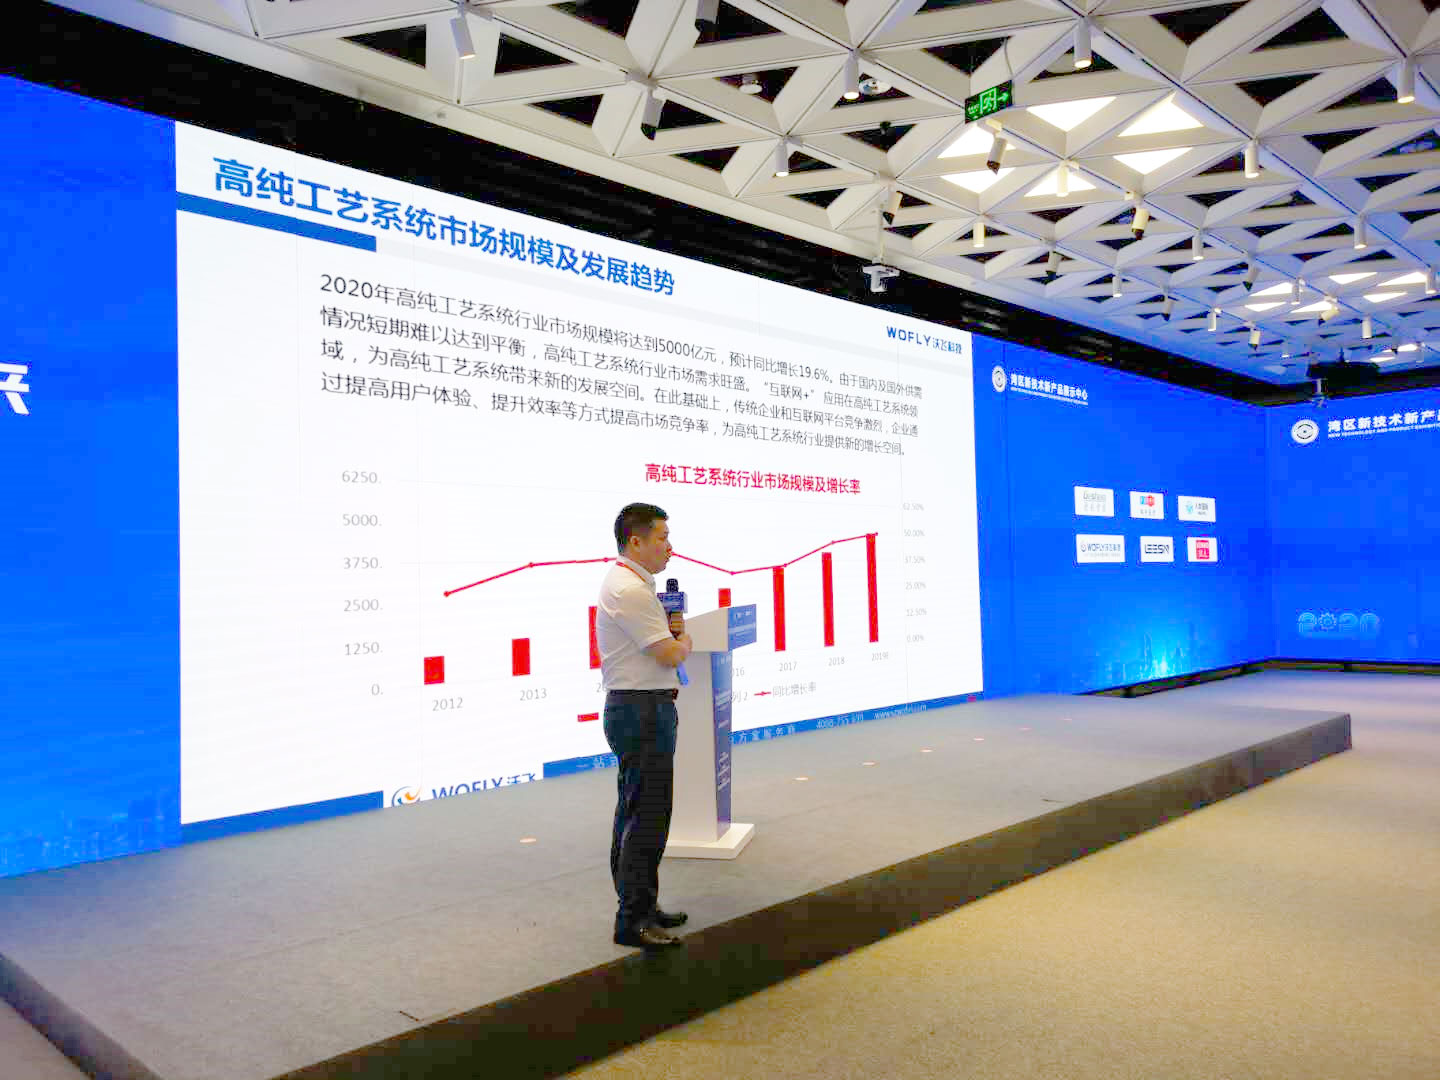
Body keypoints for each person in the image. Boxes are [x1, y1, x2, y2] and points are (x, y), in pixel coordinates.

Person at [595, 502, 693, 949]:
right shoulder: (629, 590)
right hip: (641, 713)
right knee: (646, 817)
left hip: (642, 710)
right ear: (635, 541)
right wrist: (683, 639)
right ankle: (632, 919)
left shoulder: (632, 585)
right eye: (662, 538)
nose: (670, 547)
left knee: (637, 812)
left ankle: (642, 905)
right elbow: (669, 654)